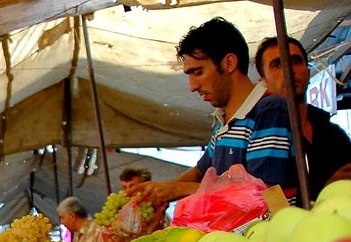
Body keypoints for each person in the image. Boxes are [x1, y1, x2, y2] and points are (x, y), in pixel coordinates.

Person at [127, 18, 297, 207]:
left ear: (229, 63)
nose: (193, 87)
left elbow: (261, 192)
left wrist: (178, 190)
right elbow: (201, 171)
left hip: (266, 234)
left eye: (198, 72)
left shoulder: (269, 110)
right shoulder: (223, 120)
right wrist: (158, 192)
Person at [255, 36, 351, 200]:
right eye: (277, 64)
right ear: (262, 81)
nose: (289, 69)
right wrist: (326, 193)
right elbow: (265, 203)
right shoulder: (257, 138)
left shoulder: (334, 134)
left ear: (307, 72)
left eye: (296, 61)